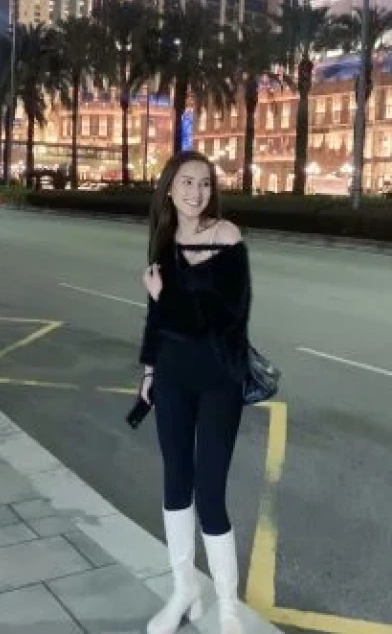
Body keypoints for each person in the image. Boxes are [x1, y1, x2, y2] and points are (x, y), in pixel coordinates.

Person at [140, 150, 252, 634]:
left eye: (204, 183)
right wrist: (148, 371)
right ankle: (184, 591)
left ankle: (227, 606)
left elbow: (228, 320)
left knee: (209, 494)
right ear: (169, 188)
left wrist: (166, 297)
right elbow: (156, 319)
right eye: (186, 182)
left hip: (219, 377)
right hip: (172, 375)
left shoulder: (227, 237)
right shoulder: (164, 240)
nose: (196, 192)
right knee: (175, 485)